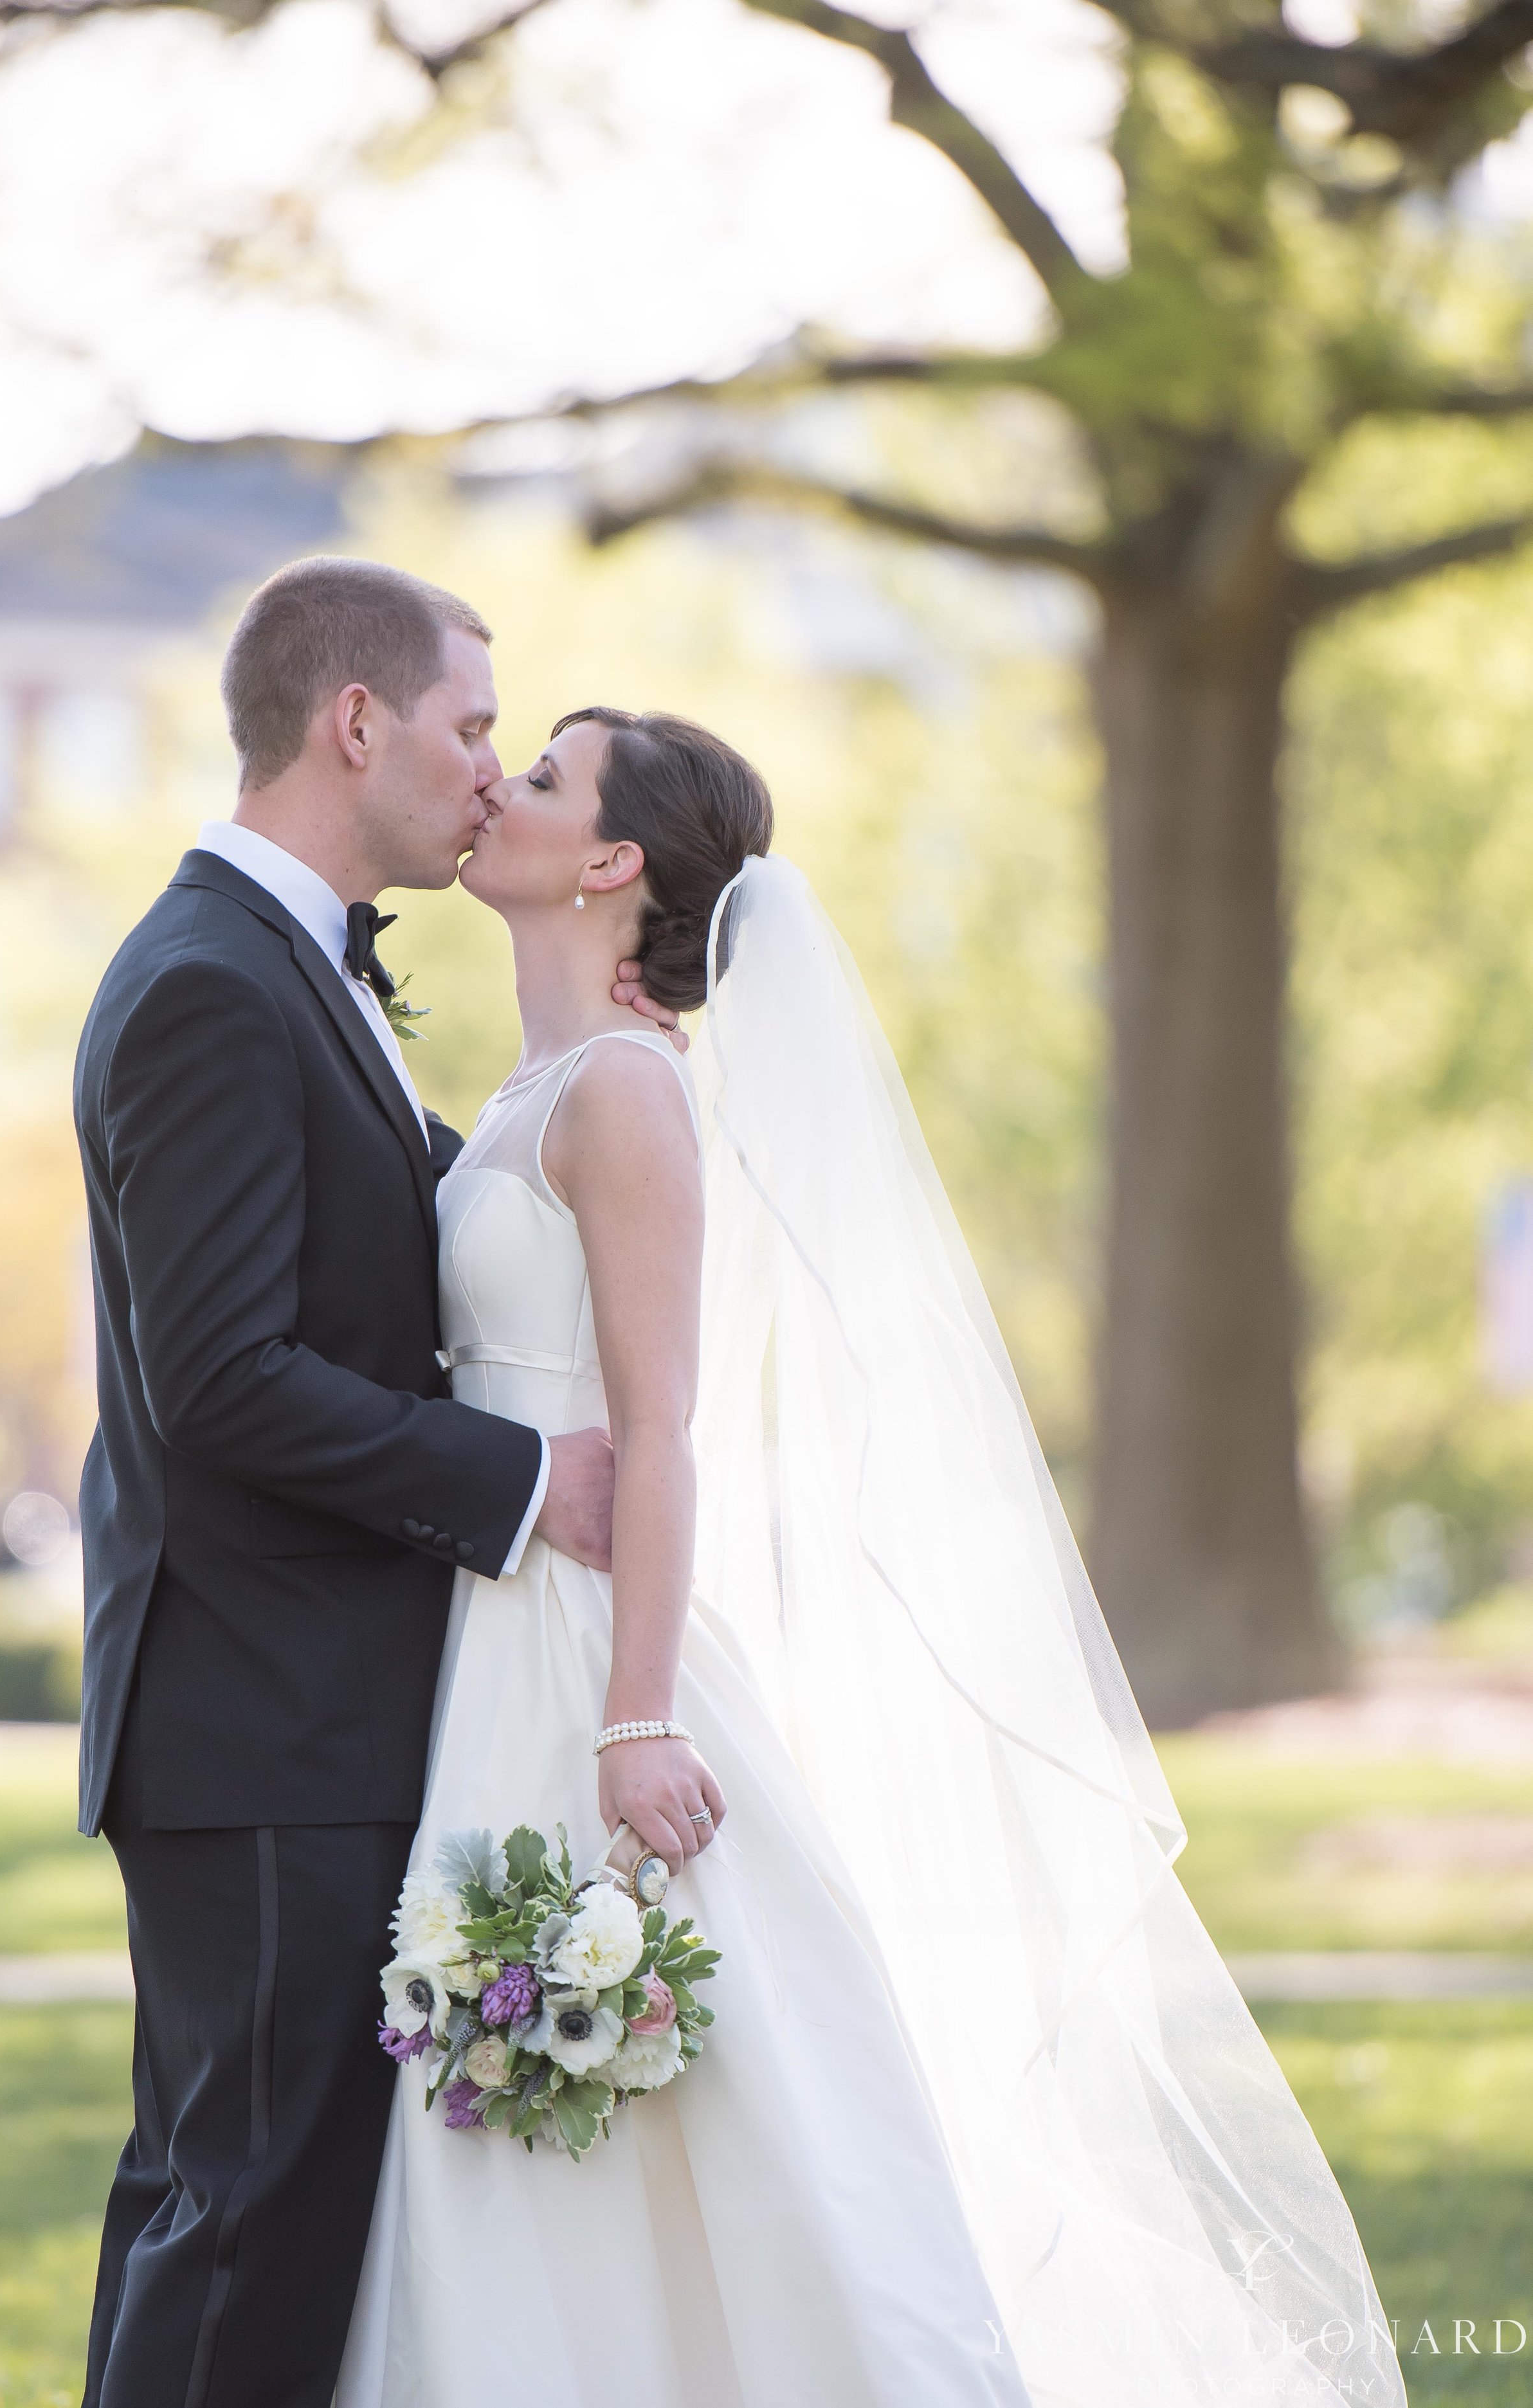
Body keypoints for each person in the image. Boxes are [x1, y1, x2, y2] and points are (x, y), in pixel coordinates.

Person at [336, 711, 1405, 2407]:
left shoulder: (623, 1091)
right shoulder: (535, 1084)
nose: (496, 789)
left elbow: (662, 1427)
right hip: (498, 1627)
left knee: (742, 2110)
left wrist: (630, 1719)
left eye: (539, 777)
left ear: (609, 862)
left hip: (591, 1647)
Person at [72, 559, 678, 2408]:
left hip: (294, 1713)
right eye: (471, 726)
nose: (489, 772)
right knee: (243, 2224)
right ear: (357, 725)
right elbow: (224, 1379)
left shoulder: (280, 971)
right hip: (258, 1717)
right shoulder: (211, 987)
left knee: (221, 2205)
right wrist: (520, 1481)